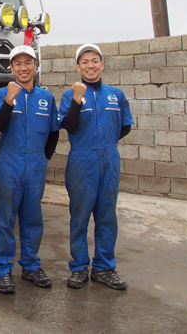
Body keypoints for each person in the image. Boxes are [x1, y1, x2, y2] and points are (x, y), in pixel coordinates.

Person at [58, 43, 133, 290]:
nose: (90, 66)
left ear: (102, 64)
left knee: (107, 216)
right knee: (79, 217)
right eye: (85, 62)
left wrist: (106, 142)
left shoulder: (116, 95)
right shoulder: (70, 95)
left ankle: (103, 268)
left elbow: (125, 126)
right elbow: (69, 126)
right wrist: (77, 100)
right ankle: (79, 268)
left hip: (109, 161)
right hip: (82, 162)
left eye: (94, 61)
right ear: (77, 67)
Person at [0, 45, 59, 294]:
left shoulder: (46, 98)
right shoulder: (3, 93)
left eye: (28, 62)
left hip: (36, 166)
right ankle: (3, 269)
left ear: (35, 66)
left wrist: (45, 158)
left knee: (32, 218)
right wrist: (10, 99)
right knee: (5, 218)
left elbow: (53, 132)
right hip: (9, 165)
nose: (23, 67)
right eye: (18, 63)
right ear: (11, 68)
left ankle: (31, 265)